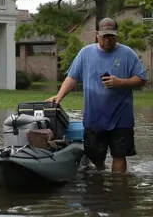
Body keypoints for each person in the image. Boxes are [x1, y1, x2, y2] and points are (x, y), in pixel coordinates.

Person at [46, 17, 147, 173]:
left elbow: (141, 79)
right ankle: (101, 184)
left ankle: (118, 191)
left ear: (116, 35)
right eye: (104, 36)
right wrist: (58, 97)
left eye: (111, 36)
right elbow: (72, 78)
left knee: (119, 155)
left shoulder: (127, 54)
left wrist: (119, 82)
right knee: (96, 159)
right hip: (94, 118)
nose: (107, 40)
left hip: (121, 118)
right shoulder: (85, 53)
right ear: (97, 34)